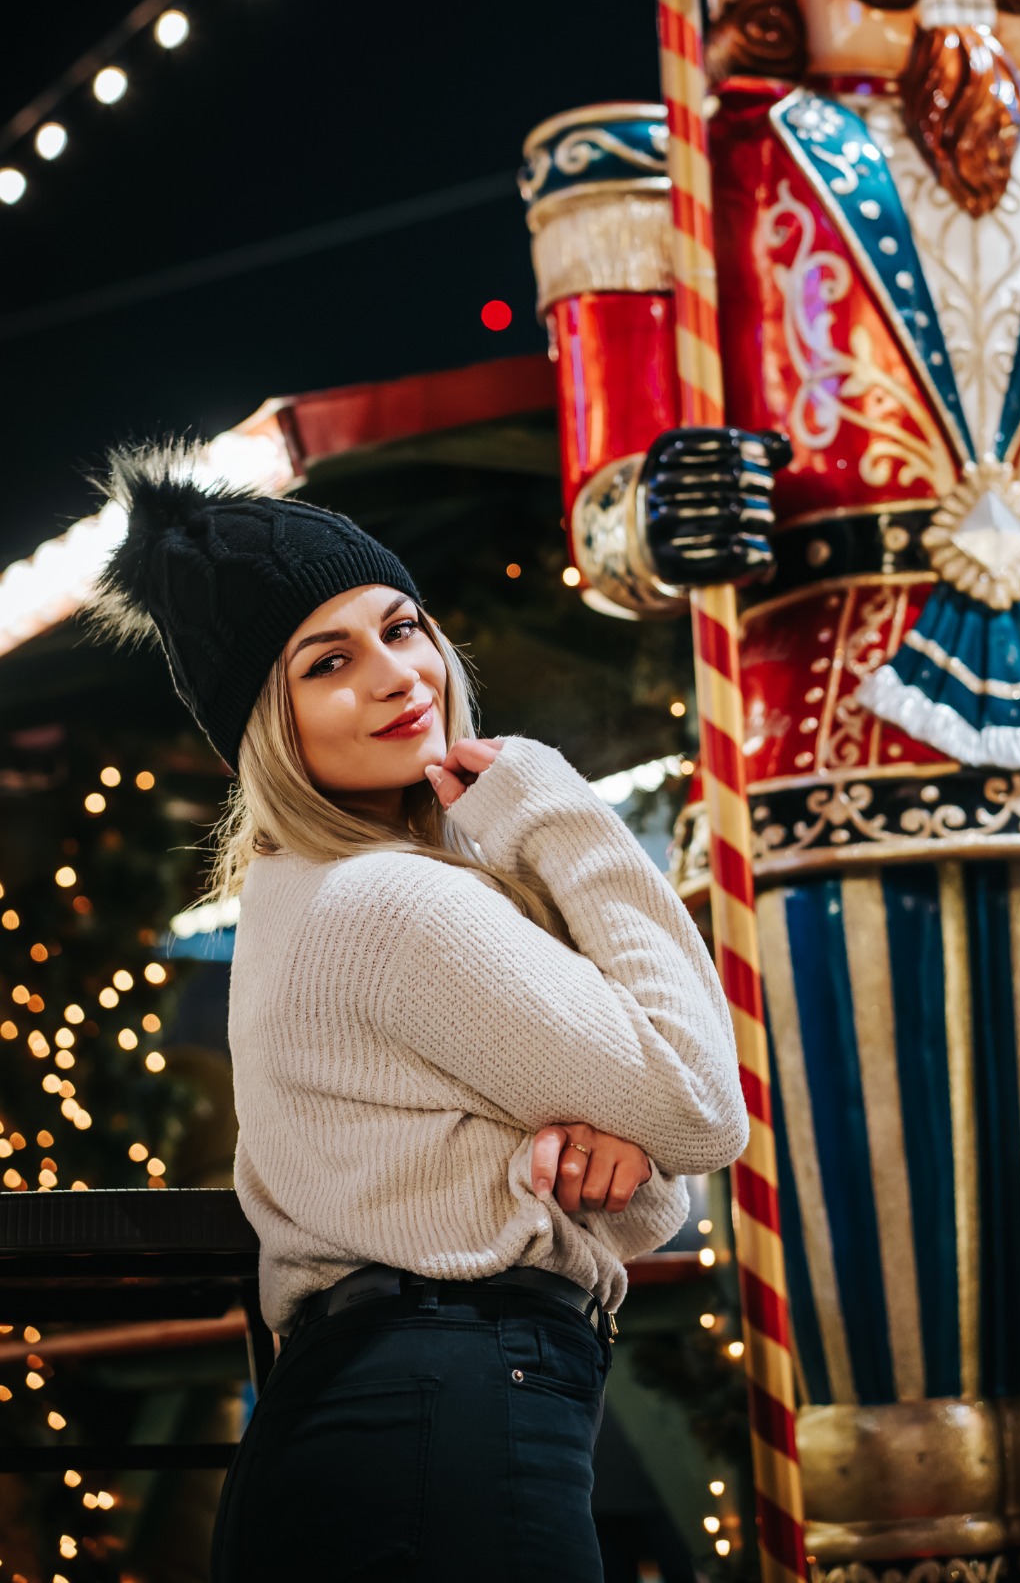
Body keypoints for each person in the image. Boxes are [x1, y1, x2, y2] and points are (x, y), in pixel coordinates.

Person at [89, 440, 750, 1582]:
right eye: (327, 661)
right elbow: (702, 1106)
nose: (400, 675)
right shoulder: (391, 903)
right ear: (266, 722)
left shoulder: (322, 894)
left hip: (397, 1412)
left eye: (402, 626)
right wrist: (565, 814)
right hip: (445, 1417)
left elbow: (660, 1193)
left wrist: (611, 1164)